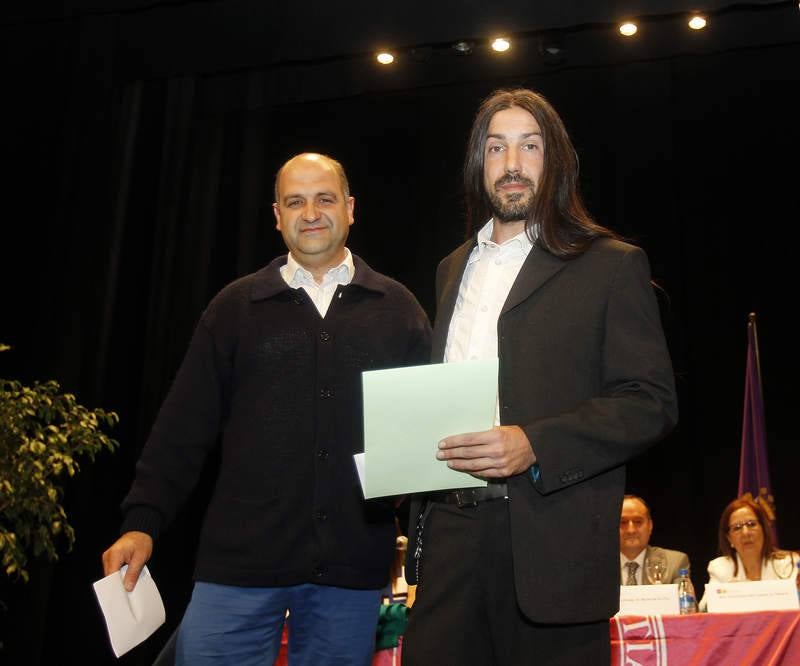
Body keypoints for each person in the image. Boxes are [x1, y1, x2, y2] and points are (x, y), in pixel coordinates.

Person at [101, 152, 431, 665]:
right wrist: (141, 521)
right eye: (295, 202)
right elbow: (181, 429)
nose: (311, 213)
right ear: (277, 216)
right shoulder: (234, 309)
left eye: (324, 199)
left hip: (351, 569)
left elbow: (426, 431)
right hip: (237, 569)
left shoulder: (399, 310)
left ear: (350, 208)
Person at [402, 88, 678, 666]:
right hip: (451, 538)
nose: (512, 164)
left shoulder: (609, 263)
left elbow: (648, 402)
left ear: (555, 162)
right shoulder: (451, 269)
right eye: (496, 147)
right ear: (479, 165)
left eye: (530, 146)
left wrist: (534, 443)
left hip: (550, 546)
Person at [698, 496, 799, 610]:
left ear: (764, 530)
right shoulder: (721, 568)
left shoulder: (788, 564)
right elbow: (704, 610)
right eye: (737, 528)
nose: (746, 533)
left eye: (751, 524)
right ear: (729, 539)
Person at [620, 494, 690, 585]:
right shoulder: (597, 566)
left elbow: (685, 598)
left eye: (638, 522)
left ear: (650, 526)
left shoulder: (675, 562)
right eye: (623, 522)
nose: (631, 530)